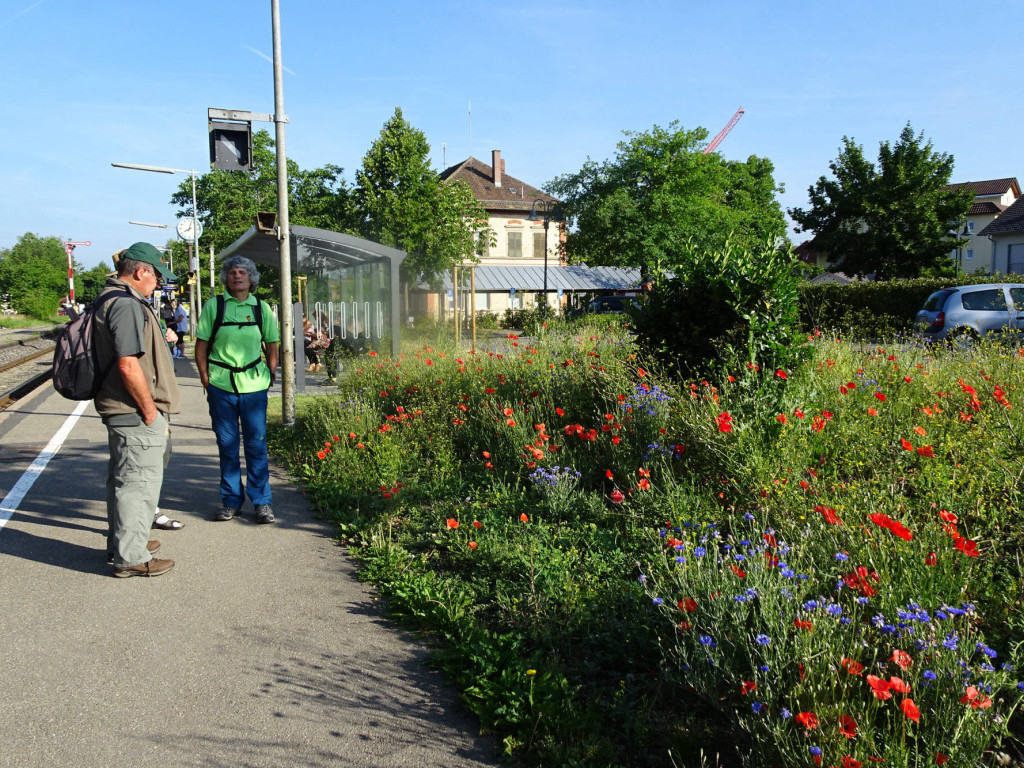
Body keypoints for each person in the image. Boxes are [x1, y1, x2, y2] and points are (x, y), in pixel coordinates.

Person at [94, 242, 180, 577]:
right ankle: (131, 557)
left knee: (123, 481)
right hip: (134, 411)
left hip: (121, 409)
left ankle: (127, 542)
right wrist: (149, 411)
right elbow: (129, 365)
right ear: (141, 271)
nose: (158, 282)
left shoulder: (110, 299)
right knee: (137, 484)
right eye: (157, 275)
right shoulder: (127, 305)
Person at [194, 255, 279, 524]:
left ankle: (262, 502)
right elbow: (201, 344)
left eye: (243, 272)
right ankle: (231, 502)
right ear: (226, 278)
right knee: (227, 445)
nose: (237, 276)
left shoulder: (261, 308)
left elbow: (272, 343)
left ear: (251, 278)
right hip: (221, 385)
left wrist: (271, 371)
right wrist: (205, 377)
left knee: (256, 444)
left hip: (254, 385)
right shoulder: (214, 306)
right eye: (232, 272)